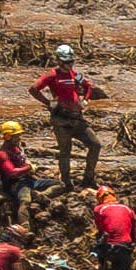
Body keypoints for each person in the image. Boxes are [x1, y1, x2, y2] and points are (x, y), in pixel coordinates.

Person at [28, 44, 104, 192]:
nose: (70, 65)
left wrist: (85, 100)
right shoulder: (51, 75)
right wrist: (48, 102)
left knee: (95, 145)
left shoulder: (75, 75)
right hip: (61, 120)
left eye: (72, 62)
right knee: (65, 152)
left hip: (78, 118)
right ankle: (67, 183)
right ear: (59, 61)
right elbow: (33, 89)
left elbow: (89, 86)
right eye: (67, 62)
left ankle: (88, 179)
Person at [0, 120, 37, 225]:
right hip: (14, 183)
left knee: (59, 184)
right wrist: (29, 168)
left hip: (27, 180)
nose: (19, 138)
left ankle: (38, 195)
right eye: (16, 136)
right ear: (8, 136)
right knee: (25, 201)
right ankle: (24, 227)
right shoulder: (2, 154)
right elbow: (12, 172)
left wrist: (28, 167)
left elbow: (23, 161)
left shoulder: (17, 148)